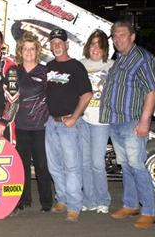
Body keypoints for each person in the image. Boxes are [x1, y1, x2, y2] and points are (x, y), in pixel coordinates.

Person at [100, 20, 155, 229]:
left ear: (133, 37)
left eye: (122, 35)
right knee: (125, 166)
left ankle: (149, 211)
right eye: (114, 35)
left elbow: (152, 90)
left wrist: (144, 121)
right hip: (116, 122)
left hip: (132, 121)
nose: (117, 39)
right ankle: (130, 204)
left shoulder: (142, 58)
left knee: (137, 166)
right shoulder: (121, 58)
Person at [45, 28, 92, 222]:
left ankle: (74, 206)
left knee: (71, 167)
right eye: (53, 43)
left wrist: (74, 117)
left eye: (60, 42)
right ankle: (62, 199)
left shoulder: (76, 66)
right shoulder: (47, 67)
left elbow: (87, 94)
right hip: (51, 122)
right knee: (54, 166)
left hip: (68, 123)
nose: (57, 46)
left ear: (67, 45)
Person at [11, 32, 53, 214]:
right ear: (20, 51)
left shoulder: (45, 72)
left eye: (32, 49)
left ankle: (46, 201)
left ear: (37, 51)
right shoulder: (14, 71)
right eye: (25, 48)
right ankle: (23, 199)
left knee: (42, 165)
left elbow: (55, 95)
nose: (28, 52)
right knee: (22, 165)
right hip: (20, 126)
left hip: (40, 127)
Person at [79, 29, 114, 214]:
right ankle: (89, 199)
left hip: (101, 121)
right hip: (83, 119)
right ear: (88, 46)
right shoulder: (80, 65)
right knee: (84, 162)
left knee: (97, 163)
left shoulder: (112, 65)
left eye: (99, 45)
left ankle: (103, 200)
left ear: (105, 48)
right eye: (92, 44)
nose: (95, 48)